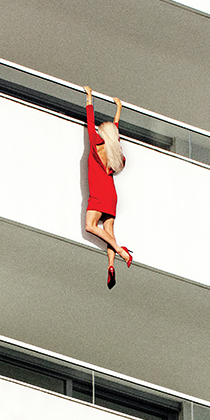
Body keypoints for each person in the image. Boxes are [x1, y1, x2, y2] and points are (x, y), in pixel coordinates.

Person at [84, 86, 132, 288]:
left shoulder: (96, 143)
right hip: (111, 195)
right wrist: (119, 107)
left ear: (102, 133)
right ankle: (111, 265)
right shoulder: (114, 150)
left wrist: (89, 97)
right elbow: (115, 128)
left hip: (98, 193)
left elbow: (90, 121)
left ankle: (121, 251)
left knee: (90, 226)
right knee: (109, 232)